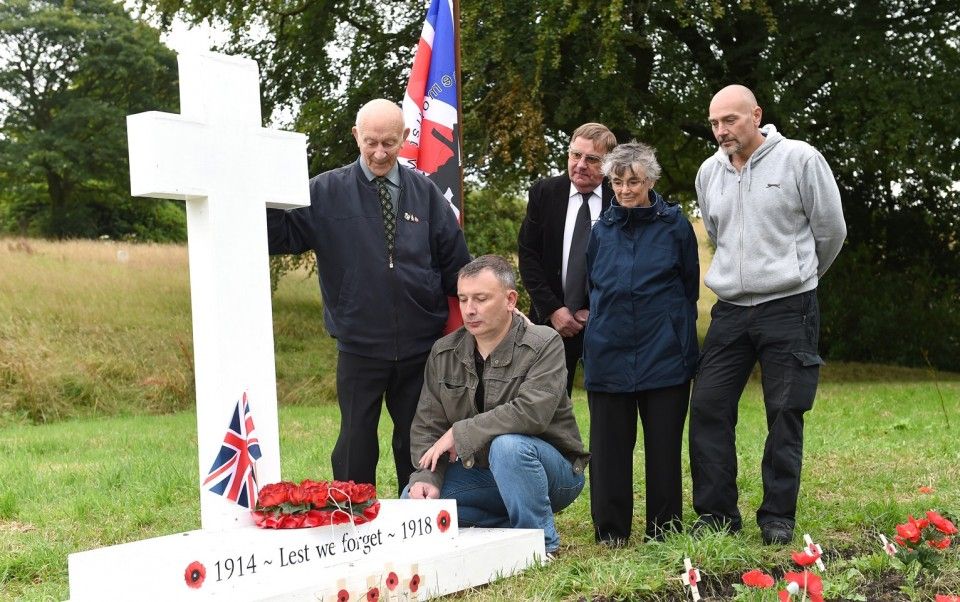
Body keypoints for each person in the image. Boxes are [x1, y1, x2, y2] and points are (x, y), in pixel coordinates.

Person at [266, 98, 471, 495]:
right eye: (371, 142)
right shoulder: (325, 190)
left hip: (419, 343)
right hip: (359, 341)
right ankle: (352, 513)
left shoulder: (425, 192)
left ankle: (418, 510)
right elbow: (282, 236)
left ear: (405, 139)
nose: (380, 152)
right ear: (356, 136)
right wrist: (265, 186)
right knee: (356, 437)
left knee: (415, 435)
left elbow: (455, 265)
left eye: (390, 143)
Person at [689, 85, 846, 545]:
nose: (722, 131)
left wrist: (799, 274)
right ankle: (717, 514)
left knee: (784, 411)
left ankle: (777, 516)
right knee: (709, 406)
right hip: (731, 311)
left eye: (731, 120)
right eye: (715, 123)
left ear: (756, 115)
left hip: (789, 306)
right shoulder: (708, 172)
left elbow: (831, 231)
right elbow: (716, 231)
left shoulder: (799, 159)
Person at [403, 255, 590, 556]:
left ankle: (540, 545)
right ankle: (505, 523)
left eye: (481, 298)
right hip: (483, 473)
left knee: (509, 447)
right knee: (412, 502)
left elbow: (533, 412)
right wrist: (428, 478)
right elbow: (428, 426)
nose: (469, 309)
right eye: (463, 299)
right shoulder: (444, 352)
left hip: (552, 472)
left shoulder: (545, 343)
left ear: (510, 299)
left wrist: (460, 433)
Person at [582, 142, 700, 545]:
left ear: (650, 179)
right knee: (610, 450)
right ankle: (611, 531)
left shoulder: (676, 226)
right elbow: (592, 287)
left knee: (663, 450)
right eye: (617, 181)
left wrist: (674, 332)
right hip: (608, 351)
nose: (625, 190)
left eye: (633, 181)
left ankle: (663, 531)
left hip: (664, 353)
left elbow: (688, 287)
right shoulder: (601, 230)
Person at [518, 123, 617, 395]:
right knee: (545, 407)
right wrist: (554, 310)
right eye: (575, 155)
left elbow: (627, 266)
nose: (581, 164)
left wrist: (595, 310)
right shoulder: (545, 193)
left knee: (609, 409)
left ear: (609, 164)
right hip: (551, 322)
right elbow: (528, 255)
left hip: (606, 324)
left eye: (592, 159)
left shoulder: (621, 199)